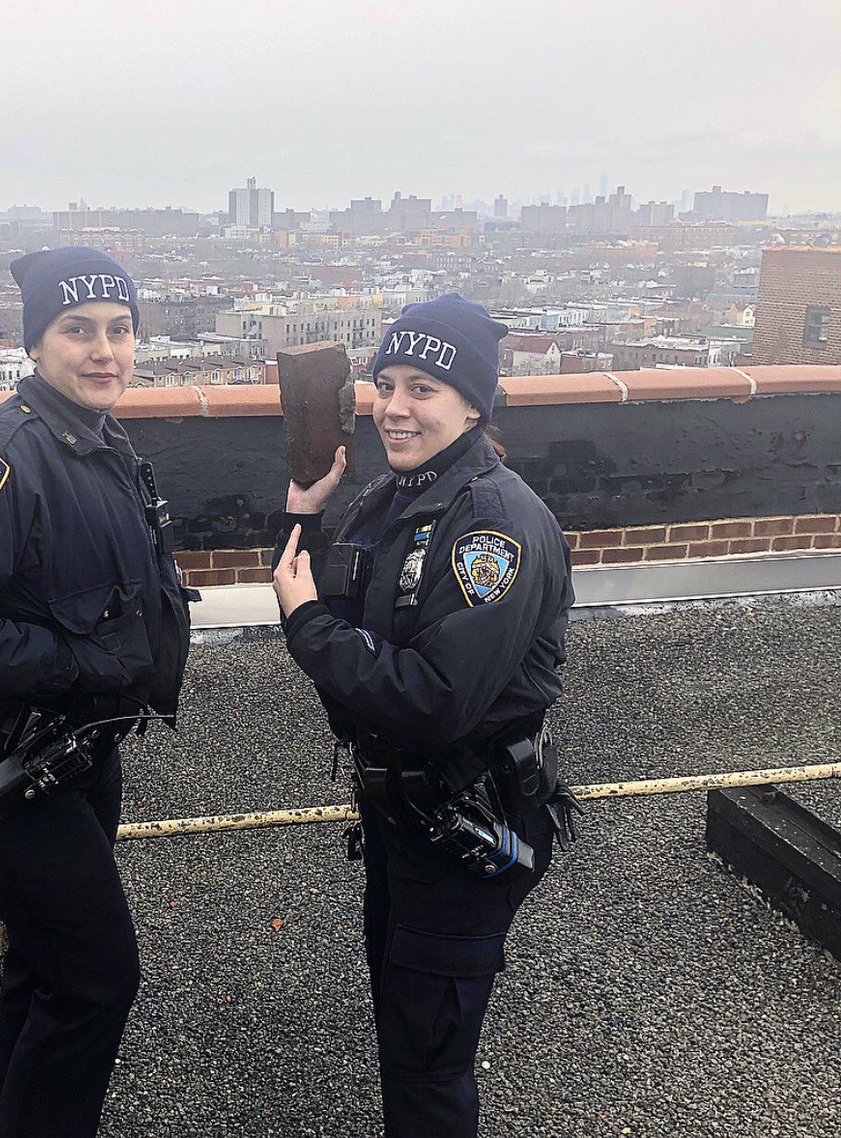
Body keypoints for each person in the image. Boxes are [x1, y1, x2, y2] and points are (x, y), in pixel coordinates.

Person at [0, 246, 194, 1137]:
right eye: (78, 331)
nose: (104, 351)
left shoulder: (95, 437)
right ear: (36, 345)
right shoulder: (0, 455)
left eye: (120, 330)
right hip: (5, 768)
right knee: (97, 979)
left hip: (79, 754)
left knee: (47, 968)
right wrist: (77, 666)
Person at [271, 294, 580, 1138]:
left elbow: (435, 699)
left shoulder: (491, 526)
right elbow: (324, 601)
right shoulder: (398, 494)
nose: (395, 408)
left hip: (465, 816)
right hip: (406, 813)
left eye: (424, 389)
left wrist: (307, 629)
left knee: (430, 1058)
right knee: (404, 1017)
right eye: (386, 383)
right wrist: (305, 504)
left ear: (475, 403)